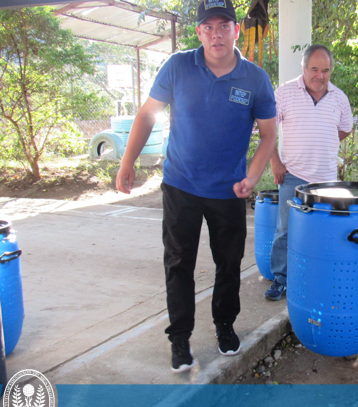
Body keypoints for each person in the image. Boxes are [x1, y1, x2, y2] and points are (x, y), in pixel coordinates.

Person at [115, 0, 277, 372]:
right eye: (208, 26)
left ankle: (224, 324)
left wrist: (252, 176)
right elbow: (147, 115)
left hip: (229, 190)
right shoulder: (178, 67)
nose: (216, 34)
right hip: (180, 185)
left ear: (236, 29)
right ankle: (180, 340)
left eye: (224, 25)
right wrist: (127, 162)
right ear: (199, 31)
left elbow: (268, 136)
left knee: (229, 262)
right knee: (178, 263)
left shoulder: (255, 79)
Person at [264, 44, 353, 301]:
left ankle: (316, 277)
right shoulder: (284, 93)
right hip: (293, 174)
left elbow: (345, 128)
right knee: (285, 229)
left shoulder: (339, 97)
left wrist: (324, 139)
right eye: (314, 69)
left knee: (323, 230)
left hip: (327, 179)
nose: (320, 75)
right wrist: (275, 162)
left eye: (325, 70)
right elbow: (268, 130)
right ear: (304, 68)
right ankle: (281, 279)